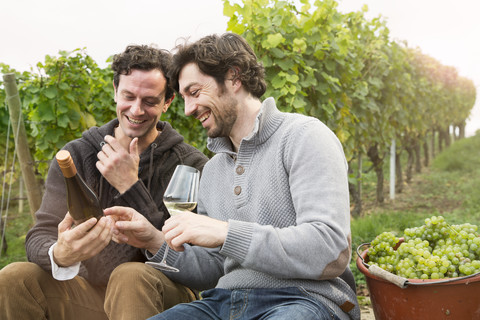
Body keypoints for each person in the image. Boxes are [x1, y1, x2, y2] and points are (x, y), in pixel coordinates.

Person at [108, 32, 360, 320]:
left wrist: (225, 231)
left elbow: (330, 249)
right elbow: (213, 270)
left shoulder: (304, 137)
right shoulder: (213, 171)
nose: (188, 109)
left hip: (304, 301)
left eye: (194, 92)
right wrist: (153, 240)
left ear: (234, 77)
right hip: (224, 303)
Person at [0, 45, 208, 320]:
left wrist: (130, 187)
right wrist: (60, 254)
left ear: (167, 101)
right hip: (88, 293)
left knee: (130, 276)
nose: (136, 109)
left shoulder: (190, 165)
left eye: (149, 100)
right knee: (14, 277)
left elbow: (194, 260)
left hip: (162, 293)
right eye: (128, 96)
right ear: (114, 90)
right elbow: (40, 235)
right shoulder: (76, 155)